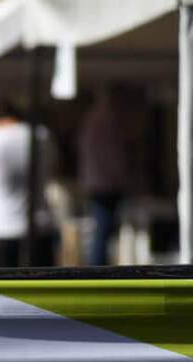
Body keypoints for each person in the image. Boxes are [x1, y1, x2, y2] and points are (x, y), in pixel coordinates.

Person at [0, 99, 57, 267]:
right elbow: (53, 168)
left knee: (4, 288)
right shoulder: (42, 135)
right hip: (40, 223)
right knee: (43, 286)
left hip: (2, 224)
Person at [77, 87, 130, 266]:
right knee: (103, 228)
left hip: (98, 181)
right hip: (105, 183)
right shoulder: (106, 120)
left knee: (102, 228)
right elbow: (112, 156)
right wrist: (122, 178)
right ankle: (98, 266)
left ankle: (98, 264)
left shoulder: (93, 119)